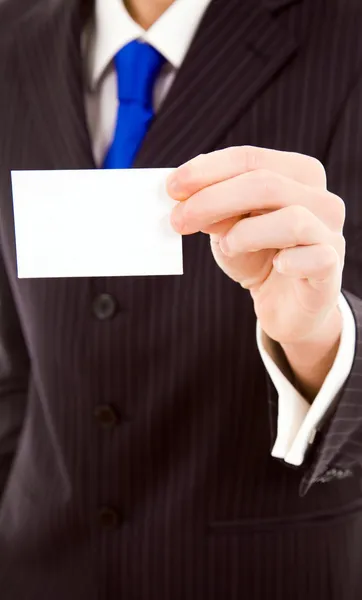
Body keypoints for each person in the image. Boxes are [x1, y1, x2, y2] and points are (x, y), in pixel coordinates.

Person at [1, 0, 362, 597]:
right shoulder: (14, 37)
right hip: (39, 566)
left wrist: (316, 337)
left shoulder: (344, 32)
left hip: (256, 572)